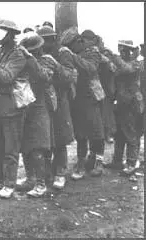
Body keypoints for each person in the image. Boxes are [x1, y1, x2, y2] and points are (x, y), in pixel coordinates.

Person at [0, 19, 49, 199]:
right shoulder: (1, 51)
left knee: (11, 149)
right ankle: (1, 180)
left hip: (12, 109)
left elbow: (6, 77)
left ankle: (9, 184)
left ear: (10, 34)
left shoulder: (17, 54)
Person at [59, 27, 104, 180]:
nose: (72, 49)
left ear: (79, 41)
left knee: (96, 130)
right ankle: (81, 162)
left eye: (72, 46)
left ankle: (99, 161)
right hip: (77, 97)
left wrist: (71, 56)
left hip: (91, 96)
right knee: (80, 132)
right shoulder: (73, 53)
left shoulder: (93, 51)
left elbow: (90, 68)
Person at [35, 26, 77, 190]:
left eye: (46, 40)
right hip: (45, 100)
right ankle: (48, 171)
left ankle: (60, 172)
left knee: (60, 137)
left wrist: (54, 68)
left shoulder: (63, 53)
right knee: (46, 137)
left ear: (53, 40)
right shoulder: (39, 54)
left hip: (60, 99)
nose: (43, 44)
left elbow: (68, 77)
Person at [17, 34, 54, 197]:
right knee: (26, 146)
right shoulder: (24, 60)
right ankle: (31, 179)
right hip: (25, 107)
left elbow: (43, 76)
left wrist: (30, 58)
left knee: (38, 147)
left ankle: (41, 183)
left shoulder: (46, 60)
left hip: (40, 107)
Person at [111, 40, 142, 180]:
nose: (124, 52)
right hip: (120, 103)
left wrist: (114, 56)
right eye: (122, 50)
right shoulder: (120, 63)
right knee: (119, 134)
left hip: (131, 104)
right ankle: (117, 161)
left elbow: (126, 69)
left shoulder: (135, 63)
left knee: (130, 134)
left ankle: (131, 163)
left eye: (126, 50)